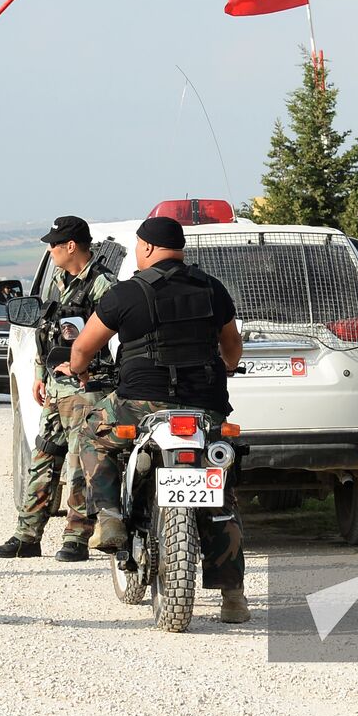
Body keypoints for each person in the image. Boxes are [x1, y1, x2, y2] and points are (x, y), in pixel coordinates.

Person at [67, 216, 250, 622]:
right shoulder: (212, 290)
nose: (136, 253)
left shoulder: (126, 294)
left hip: (141, 405)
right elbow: (232, 348)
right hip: (204, 408)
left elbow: (82, 348)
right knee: (221, 494)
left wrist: (78, 369)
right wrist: (228, 366)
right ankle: (233, 597)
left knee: (91, 431)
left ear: (147, 248)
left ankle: (111, 515)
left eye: (137, 247)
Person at [0, 216, 116, 563]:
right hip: (57, 387)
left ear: (71, 246)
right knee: (42, 460)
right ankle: (27, 536)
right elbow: (48, 329)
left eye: (54, 244)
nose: (50, 250)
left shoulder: (103, 285)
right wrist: (39, 372)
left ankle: (76, 537)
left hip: (88, 389)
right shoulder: (59, 282)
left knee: (79, 466)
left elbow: (116, 335)